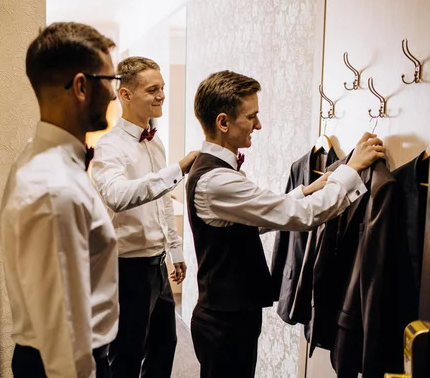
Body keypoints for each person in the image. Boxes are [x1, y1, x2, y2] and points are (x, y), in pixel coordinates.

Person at [185, 70, 385, 378]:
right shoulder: (216, 180)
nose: (259, 124)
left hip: (231, 315)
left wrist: (311, 188)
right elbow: (302, 217)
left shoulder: (217, 172)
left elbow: (255, 218)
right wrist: (353, 169)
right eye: (251, 117)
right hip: (224, 322)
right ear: (223, 122)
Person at [0, 22, 121, 378]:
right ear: (81, 86)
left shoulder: (38, 159)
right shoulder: (55, 190)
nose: (115, 96)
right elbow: (65, 333)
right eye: (111, 82)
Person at [91, 56, 199, 378]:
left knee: (163, 350)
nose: (162, 95)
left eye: (162, 88)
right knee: (125, 356)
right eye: (152, 89)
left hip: (158, 264)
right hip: (126, 270)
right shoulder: (108, 147)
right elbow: (118, 196)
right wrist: (177, 170)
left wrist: (175, 250)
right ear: (125, 95)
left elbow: (163, 201)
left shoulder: (157, 143)